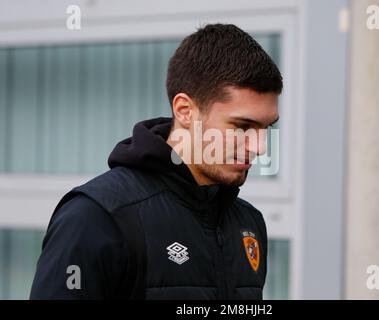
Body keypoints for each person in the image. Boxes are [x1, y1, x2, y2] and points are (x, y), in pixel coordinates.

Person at [30, 23, 283, 300]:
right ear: (185, 110)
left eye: (266, 128)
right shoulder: (96, 216)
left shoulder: (248, 223)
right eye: (242, 126)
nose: (259, 147)